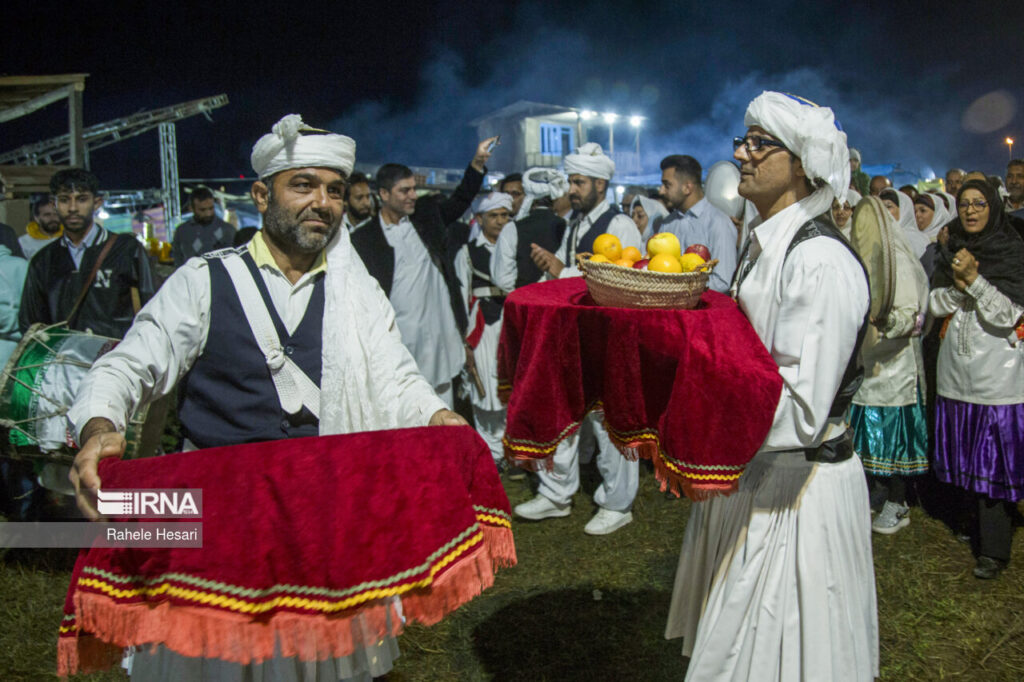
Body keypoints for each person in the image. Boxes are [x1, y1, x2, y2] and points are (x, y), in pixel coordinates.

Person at [68, 114, 466, 680]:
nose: (323, 203)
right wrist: (100, 425)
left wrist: (436, 414)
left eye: (333, 189)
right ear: (261, 194)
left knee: (318, 664)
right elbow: (132, 363)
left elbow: (395, 377)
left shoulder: (359, 293)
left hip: (318, 518)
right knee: (209, 663)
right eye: (303, 185)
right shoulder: (202, 279)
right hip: (217, 524)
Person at [665, 91, 876, 681]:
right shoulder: (764, 244)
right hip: (756, 475)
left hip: (798, 492)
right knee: (739, 642)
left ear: (804, 165)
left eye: (761, 144)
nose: (743, 155)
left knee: (782, 655)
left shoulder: (819, 262)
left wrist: (697, 419)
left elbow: (802, 411)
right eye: (743, 140)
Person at [520, 143, 642, 536]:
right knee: (566, 416)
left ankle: (617, 503)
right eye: (571, 181)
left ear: (601, 183)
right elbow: (564, 273)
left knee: (610, 423)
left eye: (579, 182)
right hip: (572, 336)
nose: (571, 189)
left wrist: (561, 270)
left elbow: (626, 281)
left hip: (609, 339)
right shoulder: (575, 222)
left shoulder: (619, 225)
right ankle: (556, 493)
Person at [350, 137, 495, 407]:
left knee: (443, 408)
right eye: (404, 191)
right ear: (383, 194)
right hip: (400, 342)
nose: (413, 196)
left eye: (413, 189)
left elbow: (462, 198)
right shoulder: (364, 240)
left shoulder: (426, 216)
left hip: (439, 335)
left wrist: (477, 163)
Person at [929, 179, 1024, 580]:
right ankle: (973, 528)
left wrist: (975, 280)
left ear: (994, 208)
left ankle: (996, 549)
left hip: (997, 377)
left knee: (995, 463)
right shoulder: (948, 251)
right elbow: (932, 303)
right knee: (966, 454)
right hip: (956, 373)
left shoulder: (1011, 251)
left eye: (979, 203)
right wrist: (959, 282)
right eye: (964, 203)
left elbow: (1008, 316)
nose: (970, 210)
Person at [848, 198, 931, 533]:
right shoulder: (866, 259)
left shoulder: (899, 260)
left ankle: (899, 503)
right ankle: (875, 496)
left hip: (896, 365)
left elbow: (912, 316)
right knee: (869, 433)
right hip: (871, 361)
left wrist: (881, 322)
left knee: (894, 436)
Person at [19, 169, 155, 338]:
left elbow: (152, 307)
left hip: (117, 359)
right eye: (64, 200)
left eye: (82, 199)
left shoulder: (126, 249)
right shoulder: (43, 261)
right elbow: (30, 323)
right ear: (54, 204)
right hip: (66, 361)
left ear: (97, 203)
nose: (73, 208)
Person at [456, 192, 513, 466]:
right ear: (480, 219)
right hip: (482, 325)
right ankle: (492, 453)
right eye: (494, 216)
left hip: (511, 325)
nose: (501, 221)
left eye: (505, 215)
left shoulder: (516, 246)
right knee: (485, 389)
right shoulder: (468, 252)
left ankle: (508, 449)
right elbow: (461, 294)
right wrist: (463, 339)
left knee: (509, 387)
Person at [655, 155, 738, 292]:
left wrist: (677, 288)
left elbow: (723, 281)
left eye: (667, 185)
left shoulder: (718, 223)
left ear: (687, 187)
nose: (661, 191)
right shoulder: (667, 224)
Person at [490, 167, 569, 292]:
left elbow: (502, 279)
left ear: (529, 198)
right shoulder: (568, 227)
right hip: (559, 303)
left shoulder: (512, 228)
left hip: (525, 305)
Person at [171, 187, 236, 267]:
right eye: (202, 210)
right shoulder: (182, 231)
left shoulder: (227, 230)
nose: (208, 213)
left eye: (211, 208)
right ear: (192, 208)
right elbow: (177, 258)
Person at [19, 194, 63, 259]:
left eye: (56, 214)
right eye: (47, 215)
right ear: (36, 218)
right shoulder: (23, 243)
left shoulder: (72, 239)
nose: (53, 218)